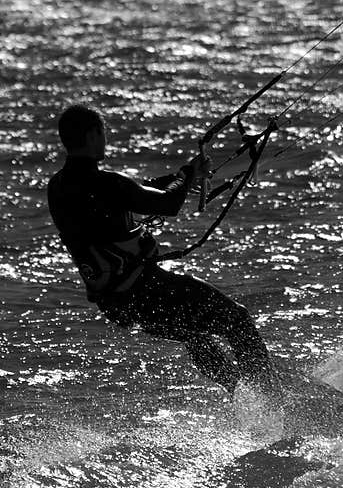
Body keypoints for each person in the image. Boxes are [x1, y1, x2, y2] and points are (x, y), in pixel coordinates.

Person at [47, 104, 276, 394]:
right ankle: (271, 399)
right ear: (93, 135)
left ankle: (243, 395)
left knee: (197, 337)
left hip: (116, 304)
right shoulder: (105, 182)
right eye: (103, 133)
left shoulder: (57, 187)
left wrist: (184, 177)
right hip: (146, 290)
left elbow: (136, 191)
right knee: (238, 319)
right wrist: (186, 173)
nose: (105, 139)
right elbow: (165, 203)